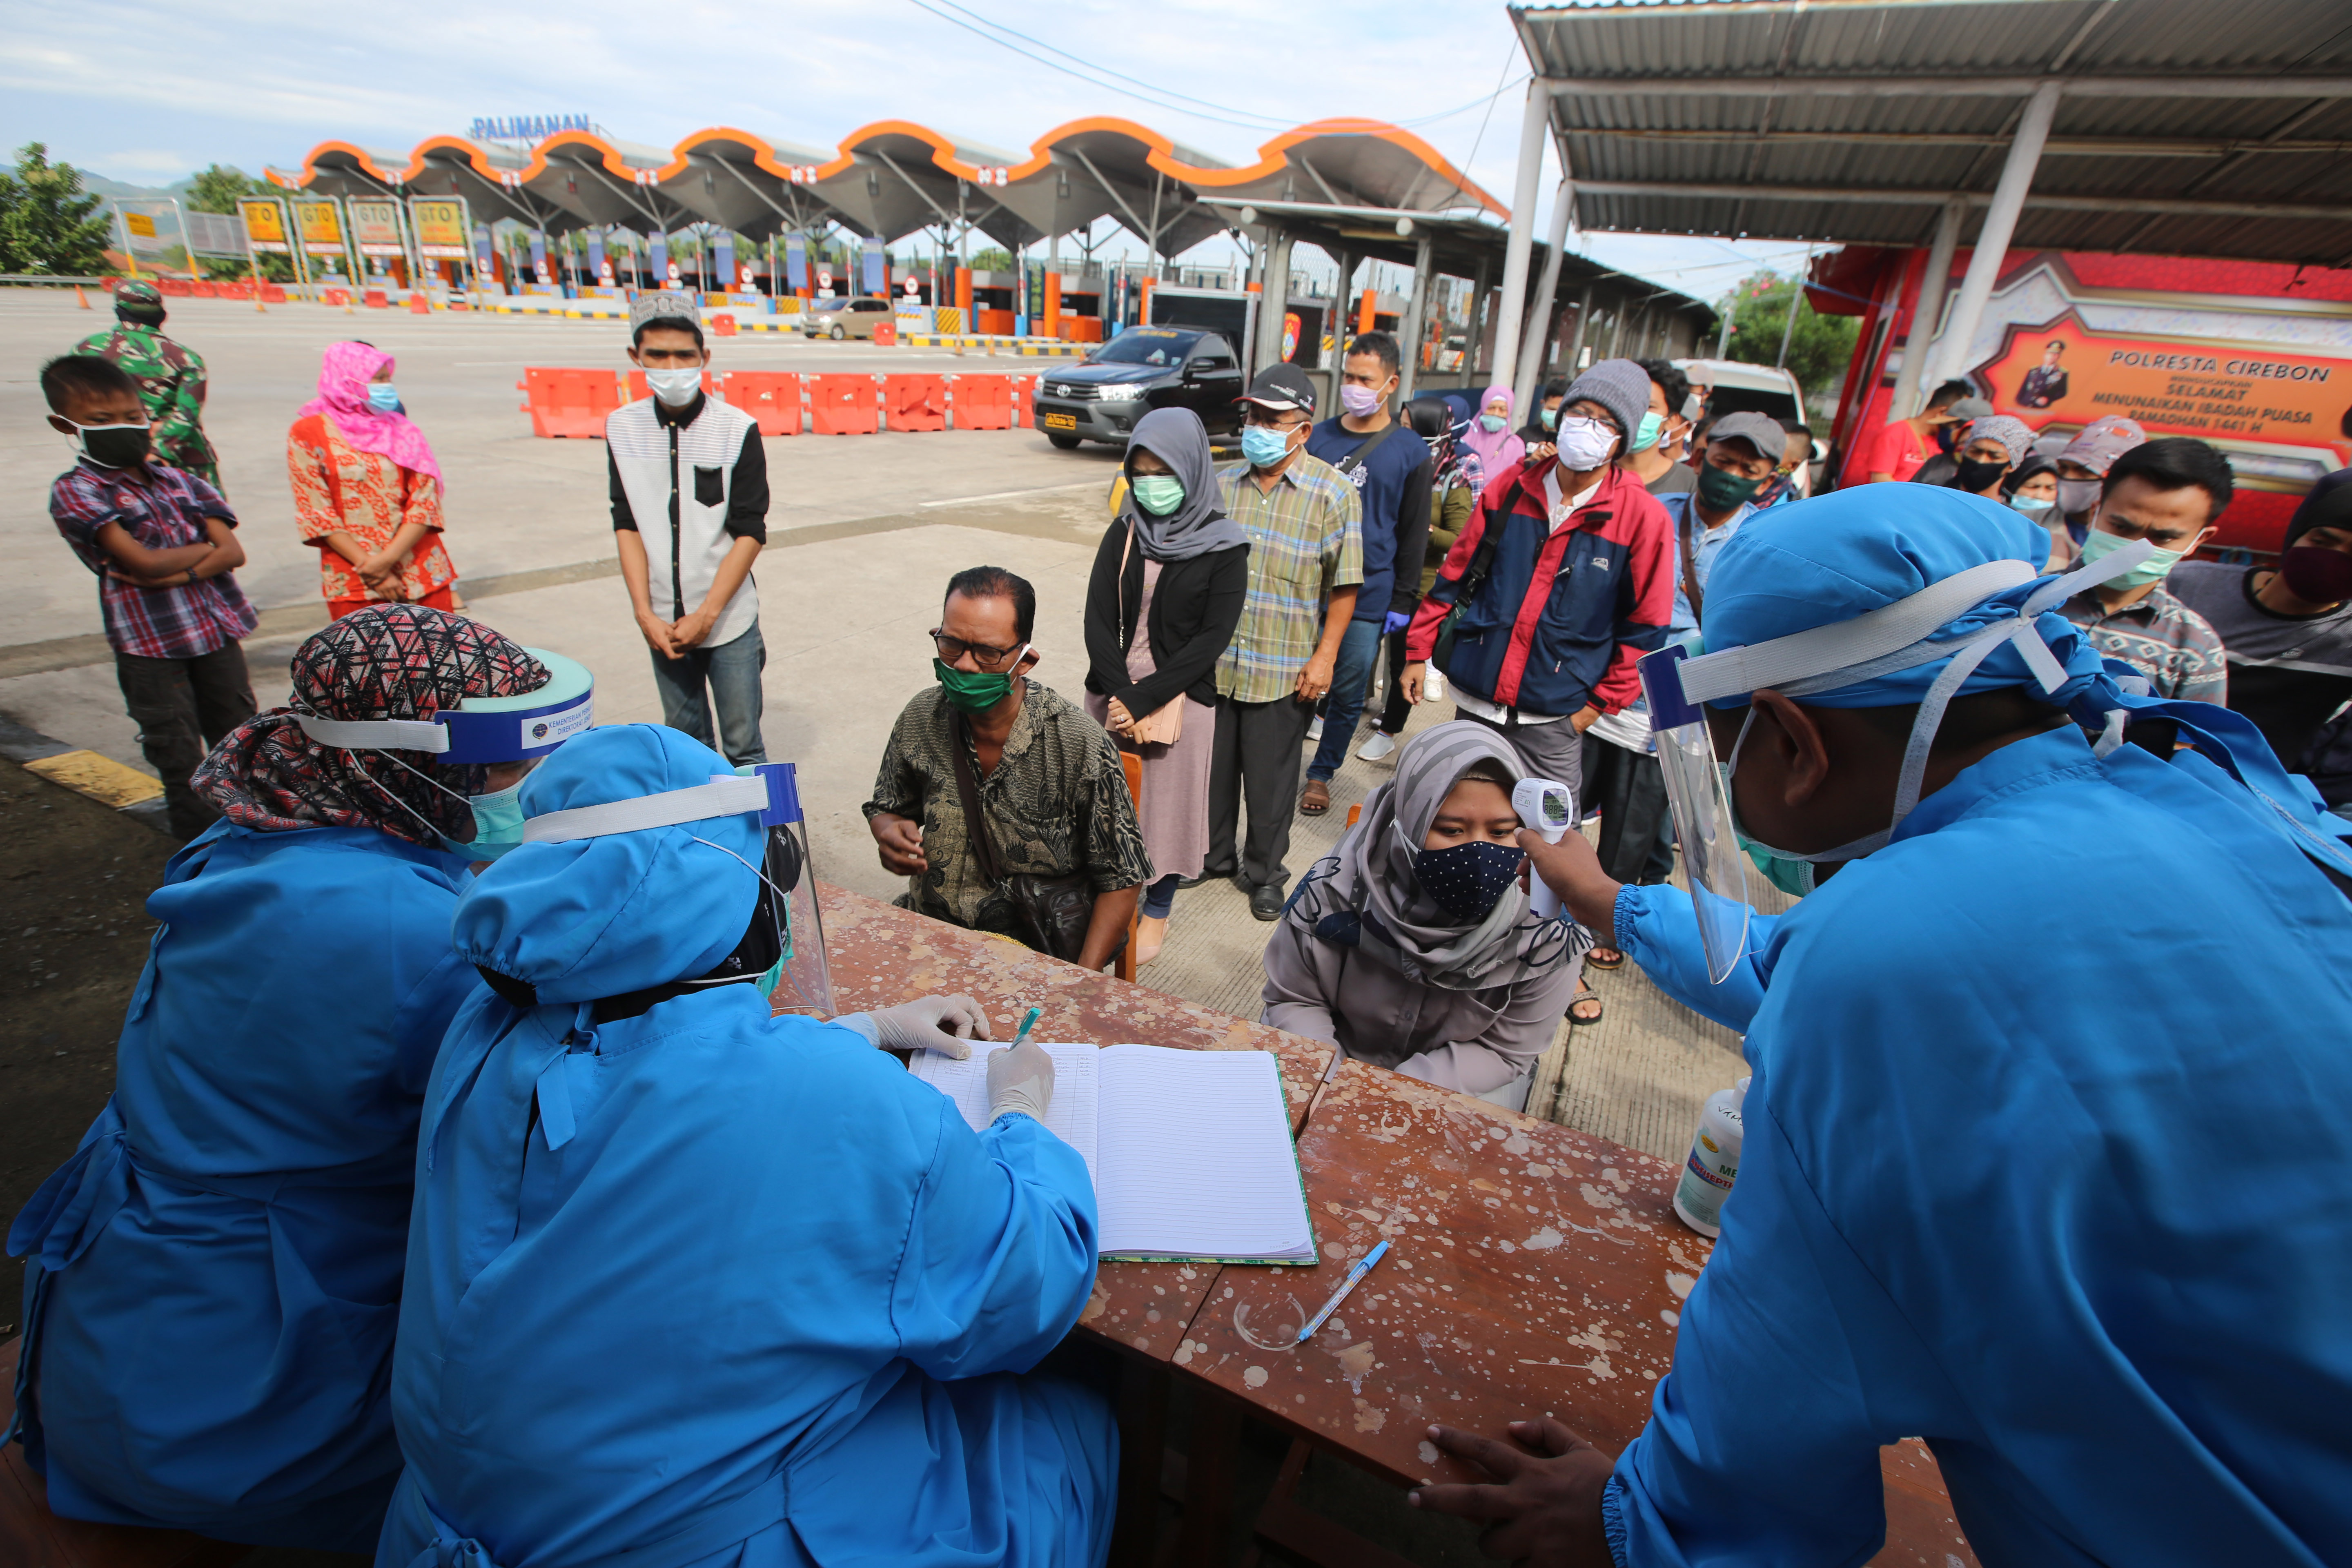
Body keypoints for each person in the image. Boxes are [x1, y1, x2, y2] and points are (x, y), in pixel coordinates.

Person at [1410, 483, 2352, 1566]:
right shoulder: (2203, 792)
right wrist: (1605, 898)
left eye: (1726, 755)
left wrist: (1641, 1521)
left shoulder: (1899, 958)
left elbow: (1768, 1442)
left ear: (1798, 745)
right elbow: (1806, 963)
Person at [376, 722, 1115, 1568]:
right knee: (1075, 1424)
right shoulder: (825, 1102)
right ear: (725, 888)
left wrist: (860, 1029)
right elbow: (1025, 1297)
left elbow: (648, 1063)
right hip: (695, 1542)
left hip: (454, 1515)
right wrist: (1023, 1118)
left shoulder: (483, 1031)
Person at [7, 606, 571, 1551]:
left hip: (123, 1334)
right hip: (247, 1398)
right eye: (507, 767)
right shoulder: (405, 928)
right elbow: (537, 1125)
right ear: (413, 764)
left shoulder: (261, 833)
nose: (522, 789)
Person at [1263, 724, 1586, 1112]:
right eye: (1452, 830)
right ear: (1406, 821)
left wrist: (1392, 1094)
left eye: (1501, 832)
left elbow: (1505, 1051)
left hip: (1457, 1089)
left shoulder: (1545, 933)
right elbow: (1294, 1000)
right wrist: (1330, 1087)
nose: (1478, 853)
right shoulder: (1332, 893)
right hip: (1332, 1060)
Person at [1401, 358, 1673, 800]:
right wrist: (1418, 652)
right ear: (1561, 417)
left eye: (1605, 422)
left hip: (1555, 721)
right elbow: (1455, 577)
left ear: (1621, 439)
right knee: (1455, 823)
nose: (1588, 428)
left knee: (1548, 844)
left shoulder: (1642, 519)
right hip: (1474, 706)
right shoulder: (1511, 487)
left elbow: (1646, 628)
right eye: (1581, 413)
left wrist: (1594, 708)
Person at [869, 566, 1152, 968]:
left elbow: (1122, 879)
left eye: (987, 653)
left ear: (1025, 660)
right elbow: (888, 804)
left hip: (1038, 950)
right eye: (951, 644)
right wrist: (888, 833)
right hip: (933, 932)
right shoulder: (922, 716)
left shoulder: (1076, 743)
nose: (965, 665)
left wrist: (1077, 984)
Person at [42, 353, 256, 842]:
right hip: (149, 645)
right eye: (102, 420)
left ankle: (259, 841)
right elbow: (143, 563)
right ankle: (200, 858)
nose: (124, 427)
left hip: (214, 630)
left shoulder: (181, 480)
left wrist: (176, 574)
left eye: (133, 416)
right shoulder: (77, 492)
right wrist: (200, 554)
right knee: (177, 754)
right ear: (65, 424)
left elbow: (231, 552)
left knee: (243, 740)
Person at [1081, 409, 1248, 964]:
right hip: (1113, 693)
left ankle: (1157, 910)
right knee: (1108, 808)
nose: (1151, 484)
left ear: (1193, 469)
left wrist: (1142, 697)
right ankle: (1111, 899)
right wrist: (1117, 691)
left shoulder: (1226, 547)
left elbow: (1211, 641)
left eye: (1164, 471)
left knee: (1170, 814)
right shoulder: (1125, 530)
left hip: (1181, 701)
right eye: (1141, 471)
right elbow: (1098, 620)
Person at [1200, 365, 1363, 920]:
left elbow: (1345, 584)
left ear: (1303, 429)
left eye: (1272, 419)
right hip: (1218, 661)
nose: (1258, 428)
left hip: (1284, 665)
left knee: (1270, 785)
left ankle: (1266, 872)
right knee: (1214, 772)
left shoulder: (1333, 493)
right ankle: (1214, 855)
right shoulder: (1222, 485)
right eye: (1253, 416)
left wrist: (1326, 657)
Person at [608, 290, 769, 765]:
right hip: (661, 621)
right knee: (685, 746)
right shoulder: (622, 428)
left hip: (728, 618)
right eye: (658, 355)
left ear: (705, 357)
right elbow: (627, 523)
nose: (672, 365)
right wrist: (644, 613)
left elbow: (750, 530)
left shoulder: (736, 428)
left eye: (685, 354)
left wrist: (707, 615)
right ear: (636, 357)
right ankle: (701, 836)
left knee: (744, 747)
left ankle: (762, 838)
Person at [1301, 331, 1433, 813]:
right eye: (1349, 377)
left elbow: (1415, 533)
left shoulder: (1412, 451)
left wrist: (1402, 602)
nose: (1354, 386)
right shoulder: (1317, 437)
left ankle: (1321, 773)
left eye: (1366, 379)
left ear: (1391, 383)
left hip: (1366, 592)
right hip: (1306, 585)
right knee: (1293, 680)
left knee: (1349, 685)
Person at [2170, 479, 2352, 771]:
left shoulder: (2347, 636)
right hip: (2144, 770)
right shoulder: (2187, 585)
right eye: (2321, 543)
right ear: (2296, 535)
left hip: (2252, 800)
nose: (2332, 561)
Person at [290, 342, 461, 619]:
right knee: (369, 661)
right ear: (348, 380)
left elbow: (425, 503)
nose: (387, 386)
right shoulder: (309, 432)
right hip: (357, 577)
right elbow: (316, 510)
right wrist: (372, 569)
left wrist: (387, 560)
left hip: (420, 570)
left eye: (388, 379)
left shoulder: (402, 429)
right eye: (378, 379)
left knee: (438, 658)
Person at [2056, 437, 2230, 703]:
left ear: (2200, 540)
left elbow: (2187, 742)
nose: (2134, 549)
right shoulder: (2021, 602)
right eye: (2121, 528)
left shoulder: (2195, 647)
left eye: (2162, 537)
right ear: (2095, 513)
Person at [1362, 395, 1476, 762]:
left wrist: (1420, 530)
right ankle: (1333, 709)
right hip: (1377, 571)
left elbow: (1460, 539)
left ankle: (1390, 729)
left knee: (1401, 662)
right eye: (1402, 423)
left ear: (1431, 432)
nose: (1402, 430)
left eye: (1411, 427)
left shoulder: (1454, 476)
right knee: (1358, 650)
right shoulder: (1389, 459)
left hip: (1420, 583)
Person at [75, 280, 218, 491]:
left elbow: (76, 405)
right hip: (183, 459)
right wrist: (158, 453)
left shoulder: (86, 350)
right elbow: (187, 414)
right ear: (162, 315)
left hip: (114, 457)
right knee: (206, 520)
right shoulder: (185, 358)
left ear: (119, 311)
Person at [2045, 414, 2149, 568]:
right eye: (2064, 468)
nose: (2068, 477)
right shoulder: (2030, 523)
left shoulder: (2134, 540)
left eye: (2083, 470)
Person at [1856, 378, 1972, 483]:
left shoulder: (1944, 443)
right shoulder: (1896, 433)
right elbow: (1880, 480)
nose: (1959, 427)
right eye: (1958, 422)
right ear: (1942, 412)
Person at [1626, 361, 1699, 499]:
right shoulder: (1593, 473)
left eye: (1649, 407)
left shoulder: (1691, 484)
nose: (1637, 412)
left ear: (1671, 420)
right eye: (1630, 403)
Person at [1946, 413, 2033, 500]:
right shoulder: (1937, 495)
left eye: (1995, 456)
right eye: (1975, 452)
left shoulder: (2005, 513)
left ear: (2011, 466)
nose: (1981, 461)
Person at [1461, 384, 1526, 490]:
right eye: (1491, 408)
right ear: (1483, 406)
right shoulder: (1466, 435)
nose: (1496, 414)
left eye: (1503, 410)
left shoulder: (1516, 446)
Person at [1519, 375, 1570, 452]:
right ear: (1543, 404)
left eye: (1561, 411)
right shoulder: (1524, 434)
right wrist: (1530, 461)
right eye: (1552, 409)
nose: (1556, 414)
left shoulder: (1571, 442)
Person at [2018, 337, 2070, 408]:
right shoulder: (2034, 370)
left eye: (2056, 354)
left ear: (2059, 356)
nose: (2052, 356)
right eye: (2050, 353)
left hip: (2040, 408)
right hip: (2024, 403)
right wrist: (2018, 401)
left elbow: (2062, 392)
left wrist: (2048, 399)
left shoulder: (2062, 373)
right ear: (2045, 355)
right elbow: (2024, 388)